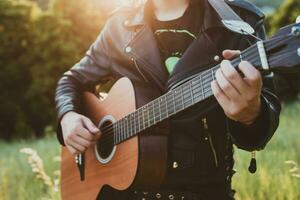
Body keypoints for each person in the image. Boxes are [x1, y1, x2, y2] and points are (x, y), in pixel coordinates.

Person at [55, 0, 281, 199]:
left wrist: (250, 114)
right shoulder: (118, 25)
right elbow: (72, 80)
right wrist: (68, 116)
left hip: (204, 192)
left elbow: (262, 127)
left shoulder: (237, 21)